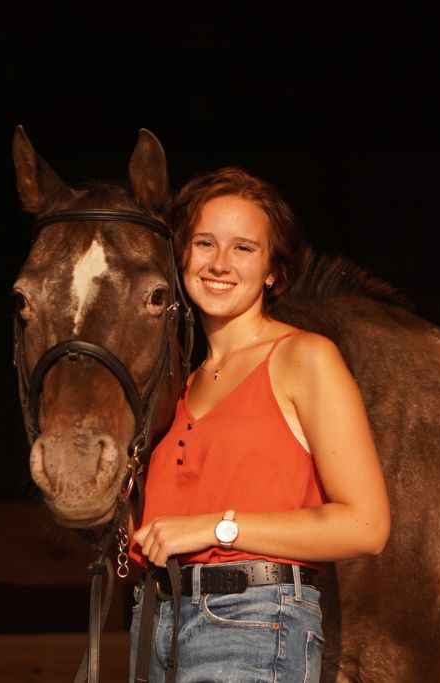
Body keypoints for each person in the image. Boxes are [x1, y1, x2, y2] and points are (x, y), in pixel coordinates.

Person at [129, 167, 391, 683]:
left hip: (252, 620)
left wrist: (215, 527)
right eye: (204, 242)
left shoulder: (303, 357)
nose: (220, 263)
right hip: (154, 622)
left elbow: (367, 526)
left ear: (273, 270)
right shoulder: (178, 385)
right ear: (181, 255)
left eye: (244, 248)